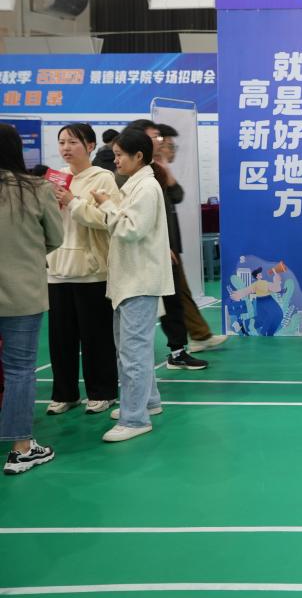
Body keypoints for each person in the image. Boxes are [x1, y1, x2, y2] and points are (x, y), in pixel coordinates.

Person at [90, 128, 174, 443]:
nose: (116, 160)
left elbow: (130, 230)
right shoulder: (136, 185)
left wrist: (106, 205)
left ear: (139, 156)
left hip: (139, 280)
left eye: (120, 155)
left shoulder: (146, 188)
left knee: (133, 352)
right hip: (130, 279)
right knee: (131, 348)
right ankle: (147, 402)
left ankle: (135, 418)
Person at [0, 122, 63, 474]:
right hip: (23, 292)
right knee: (20, 370)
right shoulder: (37, 189)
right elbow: (56, 236)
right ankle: (21, 448)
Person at [45, 123, 120, 416]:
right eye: (62, 142)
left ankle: (102, 392)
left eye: (73, 142)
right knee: (60, 339)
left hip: (91, 272)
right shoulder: (54, 178)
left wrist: (72, 201)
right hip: (57, 270)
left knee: (95, 337)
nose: (66, 148)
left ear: (90, 146)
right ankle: (65, 394)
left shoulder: (103, 178)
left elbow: (107, 220)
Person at [126, 120, 213, 368]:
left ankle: (179, 350)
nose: (161, 142)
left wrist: (165, 168)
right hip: (145, 250)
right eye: (156, 137)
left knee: (173, 300)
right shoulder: (125, 176)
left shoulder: (155, 170)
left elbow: (176, 196)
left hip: (166, 247)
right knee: (148, 306)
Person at [153, 122, 225, 354]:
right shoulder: (147, 172)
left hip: (169, 244)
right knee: (171, 298)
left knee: (180, 293)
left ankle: (200, 335)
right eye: (167, 144)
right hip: (159, 246)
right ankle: (180, 347)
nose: (171, 150)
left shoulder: (160, 169)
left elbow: (177, 195)